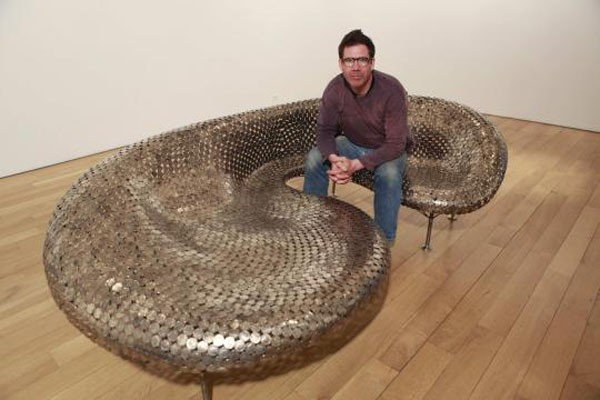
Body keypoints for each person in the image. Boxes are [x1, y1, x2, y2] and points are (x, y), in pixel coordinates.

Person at [303, 29, 413, 243]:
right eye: (349, 61)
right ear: (340, 64)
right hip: (353, 143)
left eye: (362, 60)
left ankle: (383, 242)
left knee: (389, 175)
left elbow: (396, 143)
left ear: (372, 63)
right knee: (315, 157)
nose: (355, 67)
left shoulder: (391, 89)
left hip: (387, 150)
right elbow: (325, 131)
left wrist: (355, 165)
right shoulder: (335, 89)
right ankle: (313, 227)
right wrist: (335, 159)